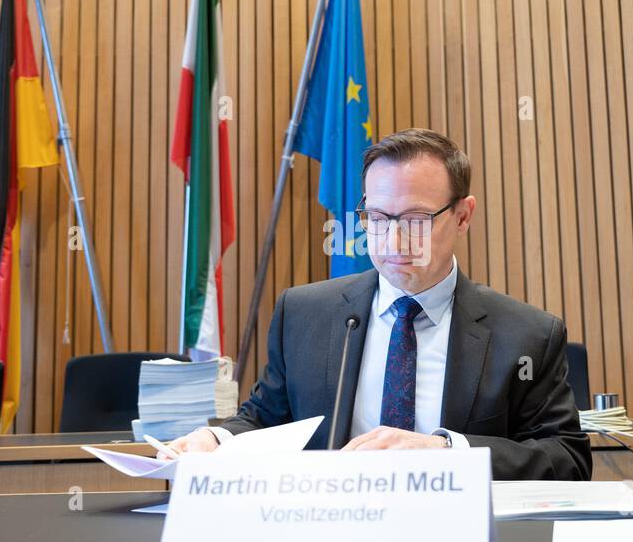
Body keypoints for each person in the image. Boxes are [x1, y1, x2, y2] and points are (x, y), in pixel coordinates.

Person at [168, 128, 591, 480]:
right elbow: (264, 419)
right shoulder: (303, 315)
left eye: (415, 220)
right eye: (378, 218)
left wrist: (446, 451)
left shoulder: (527, 334)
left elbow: (567, 458)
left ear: (463, 216)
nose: (393, 241)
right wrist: (216, 440)